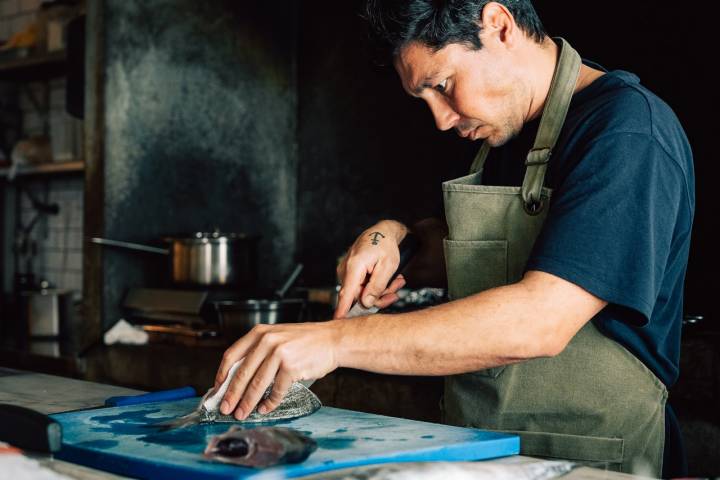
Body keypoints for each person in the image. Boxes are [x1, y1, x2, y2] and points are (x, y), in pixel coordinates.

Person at [213, 1, 694, 476]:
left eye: (443, 86)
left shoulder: (627, 132)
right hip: (488, 449)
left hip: (595, 461)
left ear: (499, 25)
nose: (441, 119)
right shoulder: (508, 130)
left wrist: (333, 341)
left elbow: (539, 320)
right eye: (424, 98)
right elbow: (479, 253)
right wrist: (394, 237)